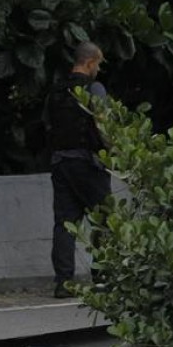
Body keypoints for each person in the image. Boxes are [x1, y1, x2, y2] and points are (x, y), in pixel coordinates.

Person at [43, 41, 112, 299]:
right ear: (90, 62)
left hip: (60, 163)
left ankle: (64, 282)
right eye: (99, 63)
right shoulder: (94, 88)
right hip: (89, 163)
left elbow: (48, 126)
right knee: (105, 220)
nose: (99, 68)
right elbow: (103, 125)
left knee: (65, 223)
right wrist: (112, 154)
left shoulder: (56, 91)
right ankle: (103, 277)